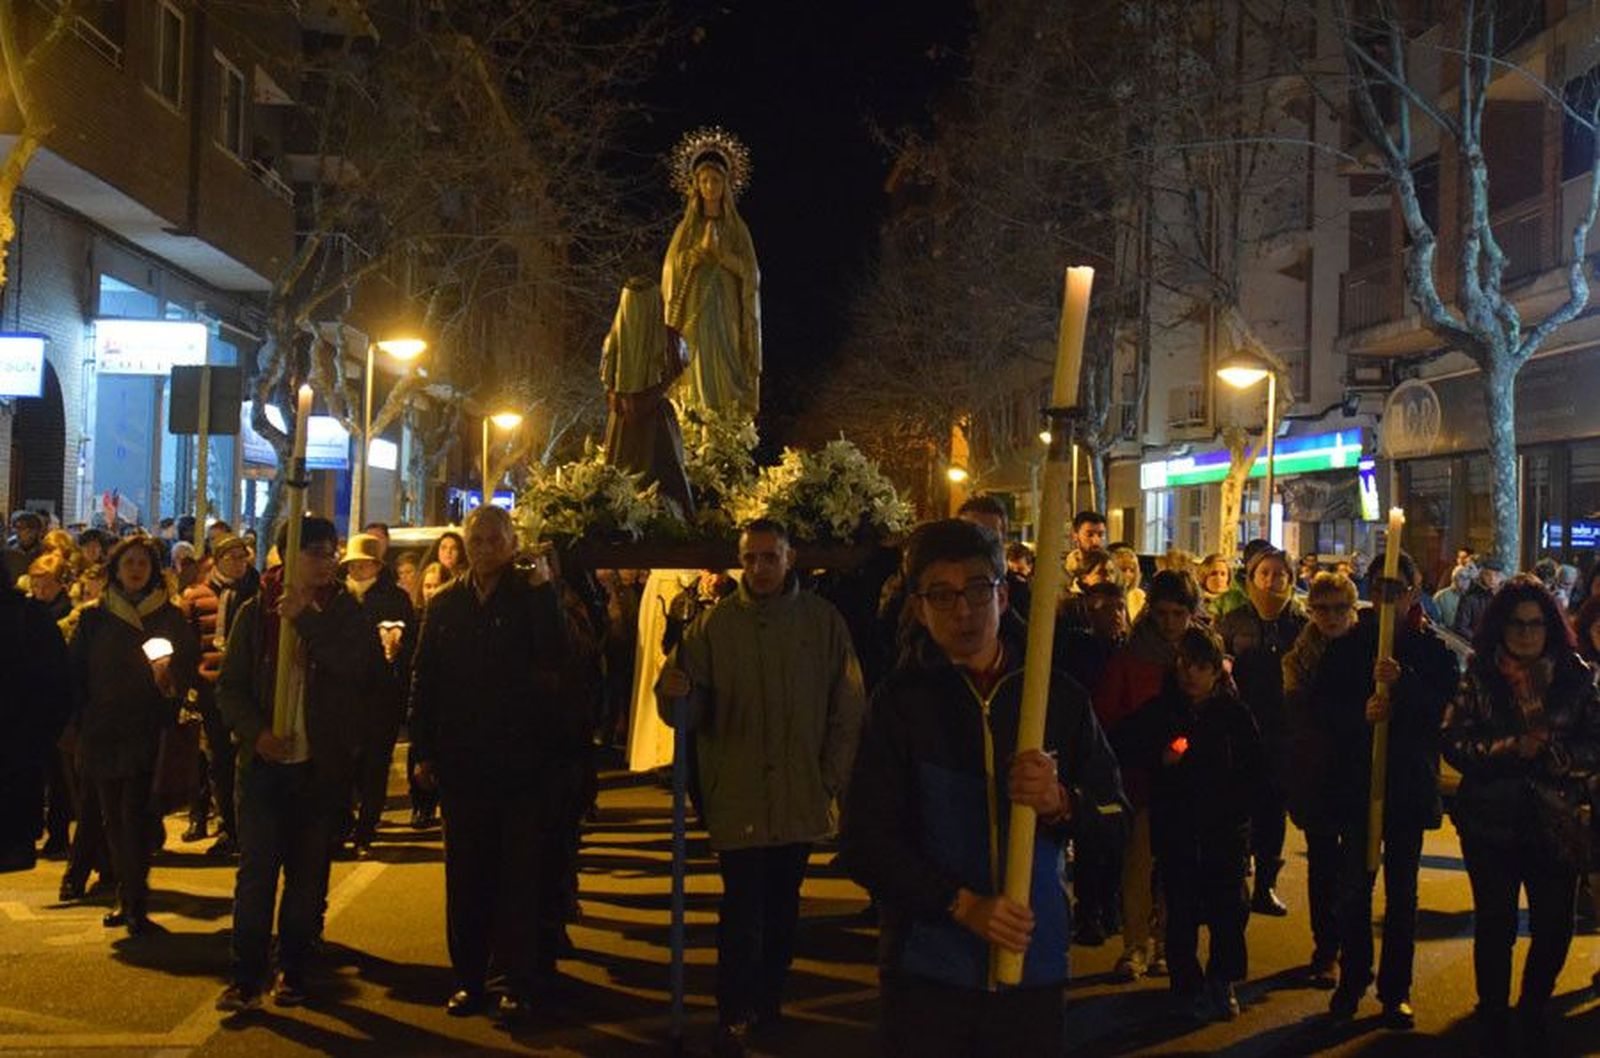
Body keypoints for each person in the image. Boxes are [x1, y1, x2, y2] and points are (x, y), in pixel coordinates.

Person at [839, 519, 1126, 1058]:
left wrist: (1061, 802)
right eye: (941, 595)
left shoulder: (1056, 698)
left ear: (1002, 592)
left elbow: (1115, 817)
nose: (963, 611)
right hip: (927, 975)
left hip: (1032, 973)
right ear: (919, 607)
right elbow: (864, 842)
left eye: (976, 588)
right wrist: (960, 905)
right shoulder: (902, 703)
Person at [657, 518, 865, 1056]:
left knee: (782, 909)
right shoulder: (712, 627)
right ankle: (734, 1008)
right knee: (741, 909)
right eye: (750, 558)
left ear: (790, 558)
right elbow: (688, 709)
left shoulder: (823, 623)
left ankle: (769, 1001)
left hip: (799, 791)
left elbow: (847, 705)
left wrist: (828, 778)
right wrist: (673, 693)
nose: (759, 568)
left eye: (769, 557)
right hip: (740, 792)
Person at [408, 505, 577, 1023]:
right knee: (466, 878)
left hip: (521, 766)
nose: (484, 550)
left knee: (518, 879)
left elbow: (558, 658)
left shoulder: (531, 600)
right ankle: (468, 979)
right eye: (475, 540)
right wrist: (423, 750)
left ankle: (515, 981)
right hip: (462, 765)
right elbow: (425, 680)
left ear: (512, 543)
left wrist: (544, 591)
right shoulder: (446, 606)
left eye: (494, 540)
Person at [215, 514, 378, 1011]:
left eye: (332, 552)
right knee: (257, 875)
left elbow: (360, 669)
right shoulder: (255, 613)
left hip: (319, 767)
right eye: (317, 552)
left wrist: (307, 619)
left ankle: (293, 968)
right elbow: (231, 688)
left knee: (308, 877)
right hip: (265, 769)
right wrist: (257, 734)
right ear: (290, 556)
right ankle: (245, 974)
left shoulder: (347, 613)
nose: (329, 561)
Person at [1444, 576, 1600, 1056]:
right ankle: (1492, 1011)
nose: (1527, 633)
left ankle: (1533, 1005)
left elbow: (1594, 744)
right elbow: (1454, 742)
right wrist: (1511, 747)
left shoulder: (1576, 678)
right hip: (1492, 820)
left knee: (1554, 925)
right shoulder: (1480, 677)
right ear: (1501, 626)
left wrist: (1556, 755)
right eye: (1517, 623)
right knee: (1495, 923)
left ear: (1551, 626)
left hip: (1556, 819)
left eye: (1536, 623)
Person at [1115, 626, 1263, 1021]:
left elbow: (1256, 770)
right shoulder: (1162, 710)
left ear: (1216, 671)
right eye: (1184, 665)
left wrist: (1244, 819)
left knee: (1228, 910)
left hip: (1224, 830)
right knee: (1179, 911)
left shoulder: (1233, 715)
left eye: (1199, 666)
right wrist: (1159, 757)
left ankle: (1222, 978)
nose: (1190, 675)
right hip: (1177, 826)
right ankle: (1186, 984)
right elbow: (1123, 743)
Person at [69, 535, 200, 935]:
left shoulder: (170, 618)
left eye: (143, 563)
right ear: (116, 568)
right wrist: (77, 726)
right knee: (112, 819)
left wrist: (169, 678)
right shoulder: (94, 618)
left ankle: (135, 899)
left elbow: (189, 670)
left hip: (149, 732)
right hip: (105, 731)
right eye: (129, 563)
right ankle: (124, 890)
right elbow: (76, 675)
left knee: (137, 818)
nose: (136, 569)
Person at [1094, 568, 1204, 980]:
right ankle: (1135, 944)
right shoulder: (1131, 657)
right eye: (1162, 614)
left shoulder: (1201, 655)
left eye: (1179, 613)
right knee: (1138, 864)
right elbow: (1108, 716)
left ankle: (1166, 942)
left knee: (1178, 866)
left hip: (1187, 780)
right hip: (1142, 777)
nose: (1171, 623)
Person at [1216, 546, 1307, 917]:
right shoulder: (1232, 621)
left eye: (1280, 574)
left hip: (1283, 731)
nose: (1272, 581)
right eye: (1265, 573)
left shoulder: (1300, 625)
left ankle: (1266, 883)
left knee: (1273, 810)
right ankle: (1234, 880)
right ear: (1252, 578)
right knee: (1238, 808)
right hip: (1240, 730)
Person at [662, 128, 761, 420]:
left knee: (727, 360)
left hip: (728, 307)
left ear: (726, 185)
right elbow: (670, 269)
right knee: (697, 361)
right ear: (695, 185)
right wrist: (695, 254)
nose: (709, 186)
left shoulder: (737, 229)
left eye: (715, 180)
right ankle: (696, 422)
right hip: (695, 307)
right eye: (703, 180)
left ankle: (727, 424)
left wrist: (723, 257)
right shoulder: (687, 228)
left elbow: (751, 274)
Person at [178, 534, 259, 856]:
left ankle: (247, 825)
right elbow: (186, 643)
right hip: (210, 687)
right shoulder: (197, 596)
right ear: (217, 559)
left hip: (247, 688)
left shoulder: (255, 594)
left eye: (243, 558)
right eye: (232, 557)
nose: (239, 563)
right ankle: (227, 826)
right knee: (219, 760)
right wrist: (189, 685)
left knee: (248, 760)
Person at [340, 532, 416, 857]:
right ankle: (343, 823)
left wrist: (397, 649)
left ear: (376, 565)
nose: (358, 569)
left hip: (380, 695)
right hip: (341, 695)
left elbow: (412, 644)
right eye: (353, 563)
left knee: (374, 764)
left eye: (364, 563)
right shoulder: (336, 597)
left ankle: (366, 828)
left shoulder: (394, 598)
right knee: (343, 764)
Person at [600, 274, 695, 516]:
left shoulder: (612, 342)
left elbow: (609, 389)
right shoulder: (672, 342)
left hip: (621, 426)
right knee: (665, 483)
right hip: (656, 424)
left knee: (624, 488)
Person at [0, 580, 71, 873]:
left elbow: (56, 682)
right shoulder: (31, 615)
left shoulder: (28, 616)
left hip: (18, 750)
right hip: (23, 752)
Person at [958, 495, 1030, 618]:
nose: (979, 544)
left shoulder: (1024, 594)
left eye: (989, 535)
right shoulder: (945, 595)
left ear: (1004, 536)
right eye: (970, 536)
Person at [1452, 556, 1505, 641]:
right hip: (1475, 645)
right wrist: (1479, 640)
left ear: (1501, 577)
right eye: (1487, 574)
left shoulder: (1504, 597)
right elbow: (1460, 627)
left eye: (1496, 575)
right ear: (1481, 575)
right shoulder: (1470, 597)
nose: (1492, 578)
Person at [1064, 510, 1109, 589]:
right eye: (1089, 535)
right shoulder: (1063, 569)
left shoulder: (1112, 568)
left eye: (1100, 535)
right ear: (1075, 536)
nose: (1096, 541)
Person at [5, 509, 45, 586]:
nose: (17, 532)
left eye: (22, 528)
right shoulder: (8, 553)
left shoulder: (45, 553)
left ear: (34, 531)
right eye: (16, 527)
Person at [1434, 562, 1477, 631]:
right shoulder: (1441, 596)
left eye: (1468, 578)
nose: (1465, 582)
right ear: (1454, 579)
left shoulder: (1472, 598)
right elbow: (1435, 620)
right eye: (1462, 577)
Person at [1110, 543, 1146, 620]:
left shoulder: (1139, 595)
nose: (1128, 574)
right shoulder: (1109, 597)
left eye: (1132, 570)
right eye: (1123, 570)